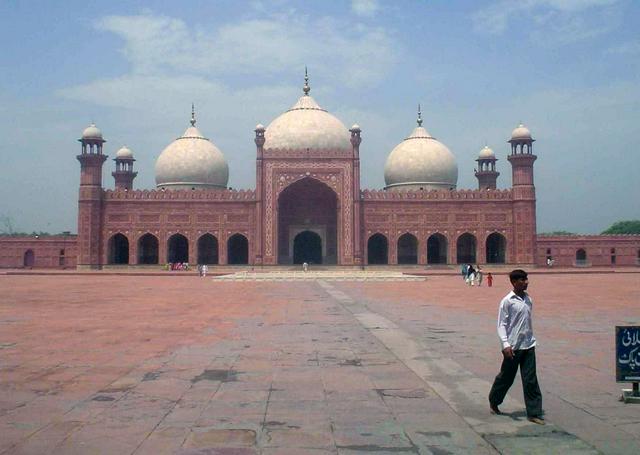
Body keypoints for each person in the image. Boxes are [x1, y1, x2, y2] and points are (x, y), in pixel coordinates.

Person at [488, 269, 544, 425]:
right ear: (513, 282)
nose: (526, 282)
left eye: (526, 279)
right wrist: (505, 344)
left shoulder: (528, 300)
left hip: (528, 345)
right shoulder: (507, 301)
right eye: (522, 280)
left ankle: (534, 413)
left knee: (531, 380)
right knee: (506, 378)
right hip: (512, 347)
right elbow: (501, 324)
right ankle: (494, 400)